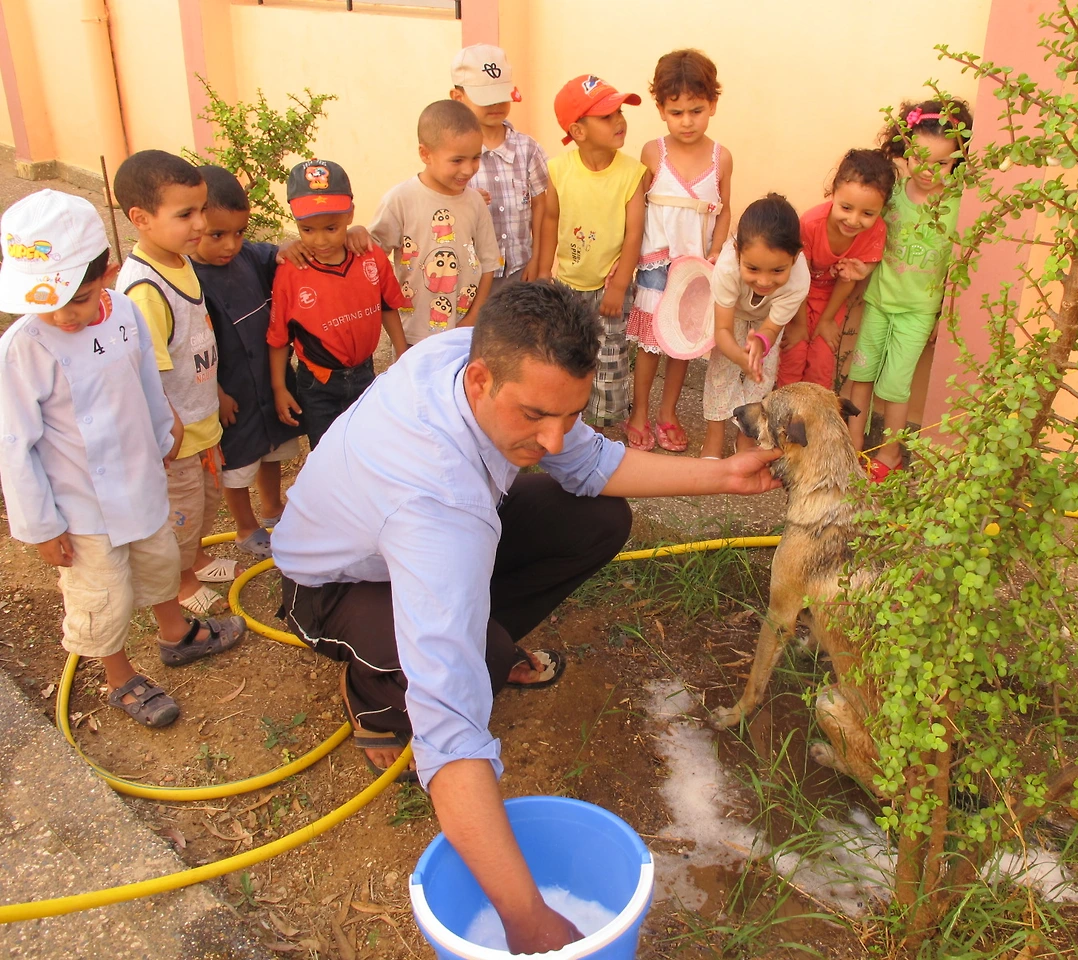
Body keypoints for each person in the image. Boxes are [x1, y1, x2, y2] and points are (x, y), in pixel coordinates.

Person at [270, 280, 780, 953]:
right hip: (332, 588)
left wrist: (721, 476)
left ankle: (468, 634)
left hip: (414, 543)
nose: (553, 437)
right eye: (536, 416)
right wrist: (525, 917)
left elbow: (592, 461)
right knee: (470, 664)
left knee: (597, 520)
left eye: (568, 414)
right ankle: (373, 693)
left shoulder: (483, 359)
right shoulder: (437, 505)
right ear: (480, 379)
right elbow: (450, 736)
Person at [0, 190, 245, 727]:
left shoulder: (125, 312)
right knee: (103, 595)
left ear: (107, 275)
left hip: (140, 481)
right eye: (47, 302)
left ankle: (175, 633)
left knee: (159, 564)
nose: (64, 315)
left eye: (79, 298)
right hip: (80, 507)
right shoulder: (23, 348)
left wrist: (165, 437)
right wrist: (41, 526)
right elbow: (15, 444)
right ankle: (119, 676)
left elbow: (144, 385)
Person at [114, 150, 246, 617]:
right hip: (177, 437)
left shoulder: (179, 260)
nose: (199, 224)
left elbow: (192, 342)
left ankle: (196, 557)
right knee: (182, 514)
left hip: (201, 421)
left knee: (206, 504)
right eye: (185, 214)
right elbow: (146, 374)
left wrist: (217, 395)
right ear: (141, 218)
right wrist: (171, 429)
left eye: (201, 209)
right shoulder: (145, 289)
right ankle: (183, 577)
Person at [842, 99, 973, 481]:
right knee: (861, 376)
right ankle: (851, 450)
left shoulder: (959, 204)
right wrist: (856, 270)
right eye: (918, 158)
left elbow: (958, 267)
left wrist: (942, 315)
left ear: (957, 161)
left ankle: (890, 453)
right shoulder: (893, 194)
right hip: (879, 302)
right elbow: (869, 238)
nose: (928, 171)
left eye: (941, 163)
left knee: (895, 386)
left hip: (918, 311)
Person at [623, 49, 733, 454]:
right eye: (676, 112)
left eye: (696, 110)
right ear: (661, 109)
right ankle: (639, 413)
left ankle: (668, 412)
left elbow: (724, 210)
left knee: (681, 344)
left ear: (713, 105)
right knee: (650, 344)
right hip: (656, 264)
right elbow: (636, 208)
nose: (687, 121)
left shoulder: (723, 158)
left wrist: (718, 252)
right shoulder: (653, 153)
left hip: (696, 270)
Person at [191, 166, 303, 559]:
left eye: (239, 232)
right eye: (217, 235)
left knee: (272, 449)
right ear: (193, 225)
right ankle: (244, 527)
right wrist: (215, 392)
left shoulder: (249, 258)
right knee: (236, 464)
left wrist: (292, 246)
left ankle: (272, 509)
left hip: (267, 379)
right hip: (232, 390)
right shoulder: (189, 279)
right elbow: (188, 351)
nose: (230, 245)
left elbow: (280, 253)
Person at [269, 159, 410, 449]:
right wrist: (279, 386)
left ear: (350, 214)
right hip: (317, 383)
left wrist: (401, 350)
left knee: (365, 445)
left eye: (331, 228)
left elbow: (387, 305)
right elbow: (280, 336)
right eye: (307, 230)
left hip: (364, 373)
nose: (320, 240)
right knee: (327, 452)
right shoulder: (291, 272)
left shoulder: (369, 256)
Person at [538, 75, 648, 427]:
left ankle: (605, 423)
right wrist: (543, 271)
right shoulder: (558, 170)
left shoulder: (632, 173)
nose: (619, 120)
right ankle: (568, 417)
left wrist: (618, 286)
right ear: (579, 131)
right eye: (606, 115)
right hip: (568, 285)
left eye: (619, 112)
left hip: (609, 287)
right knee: (567, 352)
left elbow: (634, 234)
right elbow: (550, 220)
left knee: (611, 355)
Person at [370, 100, 501, 343]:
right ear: (425, 154)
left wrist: (472, 318)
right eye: (457, 160)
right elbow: (371, 255)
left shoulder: (475, 202)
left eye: (475, 157)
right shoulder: (400, 200)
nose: (468, 169)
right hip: (413, 333)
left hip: (462, 331)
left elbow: (488, 264)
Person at [700, 194, 811, 459]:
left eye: (776, 271)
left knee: (762, 377)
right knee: (720, 372)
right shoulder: (727, 269)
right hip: (733, 314)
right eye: (752, 268)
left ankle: (746, 439)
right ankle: (713, 438)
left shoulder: (798, 281)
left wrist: (761, 342)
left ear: (795, 258)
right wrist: (739, 356)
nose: (763, 280)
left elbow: (772, 328)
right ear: (737, 252)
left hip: (766, 320)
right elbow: (723, 330)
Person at [775, 149, 893, 391]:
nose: (854, 220)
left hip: (832, 300)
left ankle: (815, 420)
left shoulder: (876, 231)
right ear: (833, 193)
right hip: (798, 296)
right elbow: (797, 277)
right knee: (793, 354)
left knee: (822, 360)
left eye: (868, 213)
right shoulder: (810, 224)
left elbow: (850, 277)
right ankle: (783, 418)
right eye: (846, 208)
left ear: (881, 209)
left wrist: (827, 319)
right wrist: (798, 324)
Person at [448, 43, 549, 293]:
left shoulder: (528, 150)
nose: (496, 104)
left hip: (520, 272)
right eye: (486, 97)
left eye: (502, 95)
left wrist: (537, 261)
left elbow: (542, 209)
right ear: (458, 98)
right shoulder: (450, 155)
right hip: (470, 277)